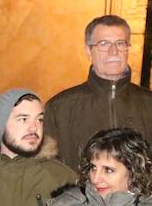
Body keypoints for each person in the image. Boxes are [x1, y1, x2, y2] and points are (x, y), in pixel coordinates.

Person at [45, 15, 152, 172]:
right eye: (104, 44)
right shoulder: (59, 108)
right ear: (88, 51)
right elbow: (46, 171)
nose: (113, 51)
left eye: (120, 43)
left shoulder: (149, 103)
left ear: (128, 48)